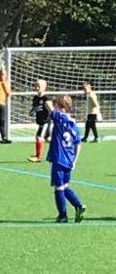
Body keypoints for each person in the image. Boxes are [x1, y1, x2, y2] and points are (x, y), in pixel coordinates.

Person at [44, 95, 85, 223]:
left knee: (59, 188)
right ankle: (78, 206)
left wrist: (51, 101)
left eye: (56, 106)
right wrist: (74, 160)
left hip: (58, 158)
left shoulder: (59, 118)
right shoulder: (73, 124)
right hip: (69, 160)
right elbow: (78, 144)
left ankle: (62, 216)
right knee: (64, 186)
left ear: (61, 108)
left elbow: (47, 103)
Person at [28, 79, 50, 162]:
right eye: (36, 86)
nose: (37, 88)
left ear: (44, 87)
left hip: (45, 122)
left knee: (39, 137)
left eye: (39, 86)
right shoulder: (35, 98)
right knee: (48, 139)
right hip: (40, 122)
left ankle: (38, 157)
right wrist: (32, 111)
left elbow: (51, 110)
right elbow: (35, 107)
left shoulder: (46, 99)